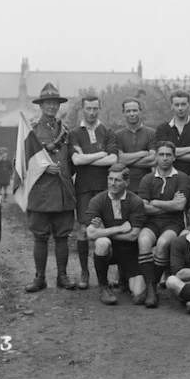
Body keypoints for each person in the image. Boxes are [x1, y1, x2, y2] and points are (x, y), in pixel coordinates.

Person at [24, 82, 77, 292]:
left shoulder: (66, 131)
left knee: (62, 235)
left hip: (63, 191)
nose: (51, 107)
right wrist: (44, 169)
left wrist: (63, 173)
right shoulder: (31, 131)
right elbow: (20, 162)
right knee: (40, 236)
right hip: (41, 193)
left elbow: (71, 160)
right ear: (41, 105)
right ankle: (39, 278)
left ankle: (62, 277)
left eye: (55, 103)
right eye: (47, 103)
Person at [69, 95, 120, 290]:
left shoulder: (107, 132)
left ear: (100, 108)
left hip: (105, 188)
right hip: (83, 188)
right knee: (82, 230)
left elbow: (114, 159)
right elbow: (76, 161)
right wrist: (101, 154)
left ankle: (107, 275)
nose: (91, 112)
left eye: (95, 108)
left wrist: (86, 157)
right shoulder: (74, 133)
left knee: (107, 231)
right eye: (88, 108)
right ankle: (84, 272)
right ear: (82, 108)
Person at [137, 141, 190, 308]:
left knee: (162, 243)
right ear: (156, 157)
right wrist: (169, 205)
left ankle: (152, 289)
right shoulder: (147, 178)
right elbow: (143, 208)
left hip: (173, 223)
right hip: (151, 223)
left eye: (168, 155)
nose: (165, 158)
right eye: (161, 154)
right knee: (144, 241)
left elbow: (180, 206)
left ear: (174, 157)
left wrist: (155, 202)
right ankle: (150, 286)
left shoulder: (181, 177)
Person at [84, 164, 147, 306]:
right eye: (110, 179)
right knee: (102, 243)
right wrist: (119, 228)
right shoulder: (97, 200)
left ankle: (124, 276)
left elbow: (133, 235)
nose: (113, 183)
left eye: (117, 180)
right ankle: (104, 287)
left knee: (139, 297)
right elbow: (90, 234)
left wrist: (104, 230)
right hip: (109, 250)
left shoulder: (135, 201)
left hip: (129, 250)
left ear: (127, 182)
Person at [155, 90, 190, 176]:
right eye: (177, 105)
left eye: (183, 104)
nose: (180, 108)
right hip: (167, 178)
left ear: (189, 105)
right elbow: (161, 153)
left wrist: (171, 154)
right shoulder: (162, 128)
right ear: (172, 106)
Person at [115, 98, 157, 193]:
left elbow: (153, 159)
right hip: (123, 186)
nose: (132, 114)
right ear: (123, 113)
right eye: (128, 111)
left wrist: (127, 161)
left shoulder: (151, 133)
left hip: (146, 185)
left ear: (140, 111)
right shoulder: (118, 135)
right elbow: (119, 159)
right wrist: (143, 153)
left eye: (135, 110)